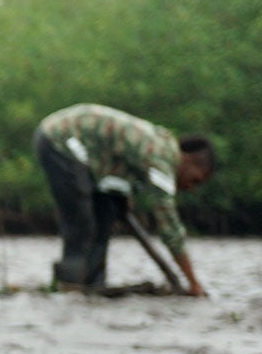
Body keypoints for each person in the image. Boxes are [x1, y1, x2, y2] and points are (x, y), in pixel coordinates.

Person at [33, 103, 215, 295]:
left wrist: (122, 196)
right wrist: (193, 282)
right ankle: (70, 285)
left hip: (86, 156)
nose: (190, 187)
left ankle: (92, 286)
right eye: (195, 180)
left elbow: (117, 162)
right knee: (82, 220)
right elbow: (169, 227)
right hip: (59, 139)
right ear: (189, 160)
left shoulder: (161, 147)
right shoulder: (163, 157)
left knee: (106, 213)